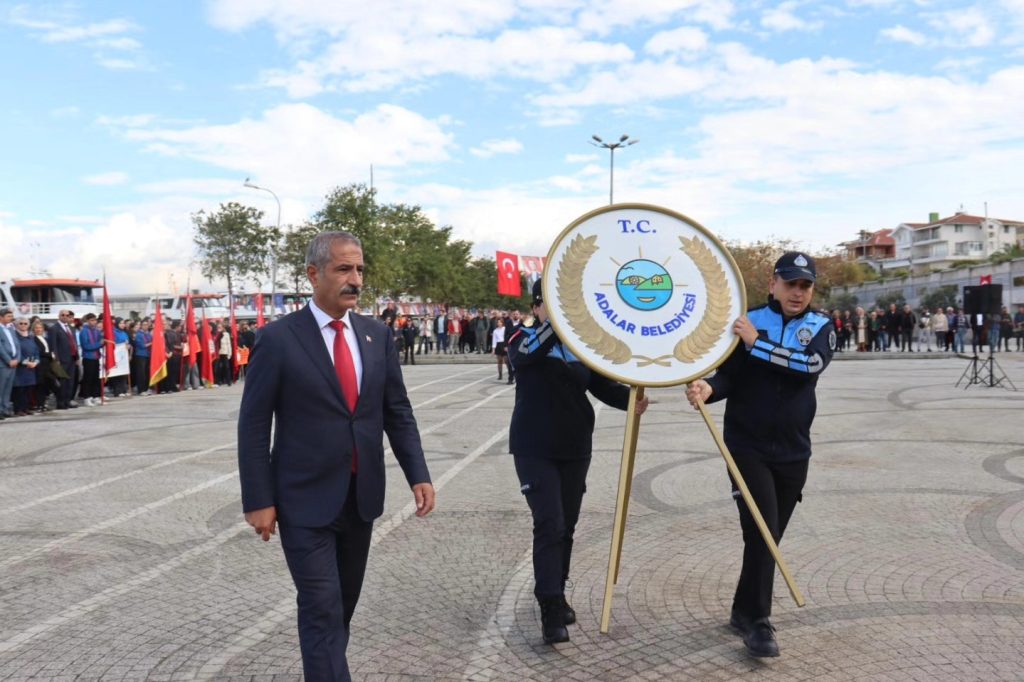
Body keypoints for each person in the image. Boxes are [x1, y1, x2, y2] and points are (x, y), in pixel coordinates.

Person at [237, 230, 435, 682]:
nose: (356, 279)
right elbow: (253, 424)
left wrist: (417, 474)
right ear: (313, 274)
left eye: (360, 269)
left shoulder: (376, 336)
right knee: (321, 606)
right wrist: (258, 500)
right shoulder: (278, 339)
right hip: (303, 501)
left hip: (360, 497)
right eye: (344, 269)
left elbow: (396, 411)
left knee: (341, 607)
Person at [686, 252, 834, 658]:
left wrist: (757, 343)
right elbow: (730, 374)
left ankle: (741, 609)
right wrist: (709, 390)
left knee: (767, 537)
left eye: (805, 286)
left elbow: (808, 366)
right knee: (763, 530)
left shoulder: (821, 326)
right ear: (773, 284)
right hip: (746, 447)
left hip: (793, 451)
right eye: (790, 284)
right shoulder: (747, 320)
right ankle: (759, 623)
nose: (798, 292)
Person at [507, 279, 648, 644]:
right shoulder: (521, 338)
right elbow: (523, 358)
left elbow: (603, 386)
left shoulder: (580, 347)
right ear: (536, 308)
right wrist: (559, 322)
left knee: (567, 525)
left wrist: (632, 400)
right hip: (535, 447)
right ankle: (549, 605)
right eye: (549, 305)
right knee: (549, 523)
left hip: (575, 447)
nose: (556, 312)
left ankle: (559, 588)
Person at [47, 309, 79, 409]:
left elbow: (74, 343)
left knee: (70, 381)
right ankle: (60, 402)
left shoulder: (71, 328)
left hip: (72, 358)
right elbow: (53, 345)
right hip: (61, 359)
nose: (65, 316)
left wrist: (77, 357)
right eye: (63, 315)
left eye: (67, 315)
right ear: (59, 316)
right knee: (62, 381)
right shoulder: (54, 328)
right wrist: (56, 360)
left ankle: (67, 400)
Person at [12, 317, 39, 416]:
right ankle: (18, 409)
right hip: (21, 366)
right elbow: (16, 351)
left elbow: (36, 350)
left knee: (29, 388)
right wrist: (25, 362)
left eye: (25, 323)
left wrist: (36, 361)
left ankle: (26, 407)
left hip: (31, 367)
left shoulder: (31, 336)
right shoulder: (14, 336)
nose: (23, 325)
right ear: (16, 325)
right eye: (21, 323)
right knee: (20, 389)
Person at [0, 309, 23, 419]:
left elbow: (17, 345)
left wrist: (17, 359)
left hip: (13, 362)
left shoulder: (11, 329)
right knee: (1, 387)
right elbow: (0, 348)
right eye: (8, 316)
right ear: (1, 317)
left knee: (8, 388)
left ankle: (5, 409)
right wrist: (8, 360)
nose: (11, 318)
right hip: (3, 364)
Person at [78, 313, 104, 406]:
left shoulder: (96, 331)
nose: (94, 322)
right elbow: (86, 346)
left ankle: (95, 396)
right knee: (88, 378)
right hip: (88, 357)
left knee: (95, 378)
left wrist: (104, 341)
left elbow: (101, 341)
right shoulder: (84, 331)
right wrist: (99, 344)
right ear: (87, 321)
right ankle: (87, 397)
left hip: (96, 357)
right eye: (92, 320)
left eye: (95, 320)